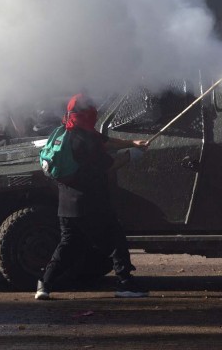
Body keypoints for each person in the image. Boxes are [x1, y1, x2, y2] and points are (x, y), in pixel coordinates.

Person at [35, 93, 149, 300]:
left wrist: (131, 142)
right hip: (91, 203)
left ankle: (44, 283)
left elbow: (104, 141)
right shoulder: (85, 140)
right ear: (88, 114)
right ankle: (125, 283)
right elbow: (108, 166)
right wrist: (132, 156)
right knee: (115, 241)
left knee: (68, 245)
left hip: (67, 206)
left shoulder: (64, 132)